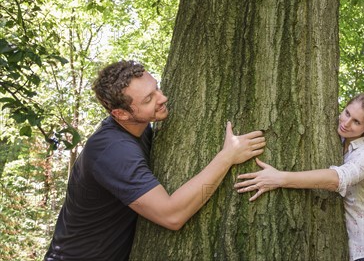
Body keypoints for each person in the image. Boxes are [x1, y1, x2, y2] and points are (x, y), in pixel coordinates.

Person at [44, 60, 266, 261]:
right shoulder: (114, 150)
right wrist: (227, 157)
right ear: (121, 114)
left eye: (156, 88)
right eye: (149, 99)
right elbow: (172, 216)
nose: (163, 98)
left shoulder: (139, 129)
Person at [235, 93, 364, 261]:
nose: (346, 123)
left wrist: (279, 178)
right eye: (347, 113)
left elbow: (337, 179)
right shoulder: (340, 139)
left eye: (356, 122)